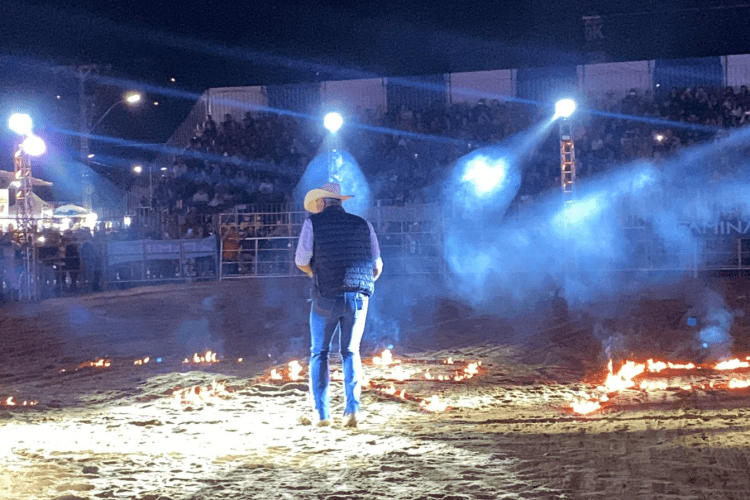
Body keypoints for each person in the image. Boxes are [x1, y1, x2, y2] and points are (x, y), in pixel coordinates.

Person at [295, 182, 383, 428]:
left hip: (327, 294)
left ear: (322, 202)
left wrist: (316, 274)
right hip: (358, 296)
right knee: (351, 352)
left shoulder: (313, 223)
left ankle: (322, 414)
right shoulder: (363, 224)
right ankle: (352, 410)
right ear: (340, 202)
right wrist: (361, 284)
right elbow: (377, 266)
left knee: (319, 352)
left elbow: (301, 260)